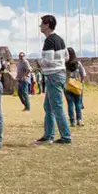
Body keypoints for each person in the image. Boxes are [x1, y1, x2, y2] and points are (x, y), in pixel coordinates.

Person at [36, 15, 72, 145]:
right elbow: (67, 57)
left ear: (47, 25)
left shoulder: (49, 40)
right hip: (60, 73)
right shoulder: (60, 39)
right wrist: (59, 62)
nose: (40, 26)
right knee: (49, 106)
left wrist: (39, 62)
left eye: (42, 23)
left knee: (57, 107)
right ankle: (48, 135)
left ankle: (66, 137)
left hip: (53, 75)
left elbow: (49, 60)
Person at [64, 48, 87, 127]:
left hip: (67, 86)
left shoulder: (64, 64)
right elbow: (83, 74)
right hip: (77, 85)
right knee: (78, 103)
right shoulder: (78, 63)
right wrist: (81, 82)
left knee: (70, 104)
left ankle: (72, 121)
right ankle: (79, 120)